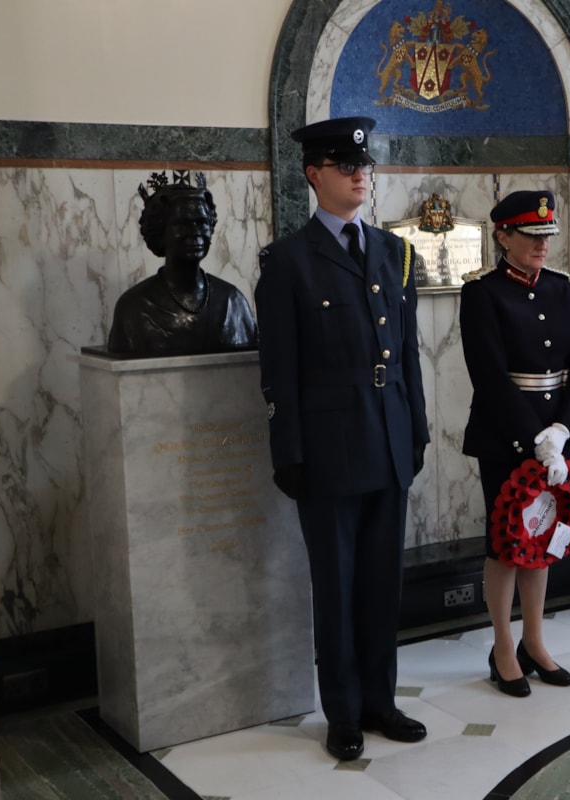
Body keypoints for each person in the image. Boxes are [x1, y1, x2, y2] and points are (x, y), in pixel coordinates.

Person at [254, 116, 429, 761]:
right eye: (346, 166)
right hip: (329, 450)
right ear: (314, 174)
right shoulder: (289, 261)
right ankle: (344, 713)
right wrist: (289, 452)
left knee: (382, 585)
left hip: (389, 438)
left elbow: (408, 354)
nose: (360, 175)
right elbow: (279, 370)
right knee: (337, 587)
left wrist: (417, 430)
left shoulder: (392, 251)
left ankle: (381, 702)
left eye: (365, 166)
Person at [460, 190, 570, 697]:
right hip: (506, 436)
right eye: (532, 236)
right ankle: (503, 648)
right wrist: (536, 438)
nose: (542, 245)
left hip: (556, 435)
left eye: (547, 236)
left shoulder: (559, 287)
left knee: (541, 542)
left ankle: (534, 642)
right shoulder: (483, 293)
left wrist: (562, 431)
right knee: (506, 545)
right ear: (503, 237)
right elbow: (490, 377)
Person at [107, 172, 257, 355]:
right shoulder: (134, 308)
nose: (195, 232)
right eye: (182, 223)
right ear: (160, 232)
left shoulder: (233, 301)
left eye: (202, 222)